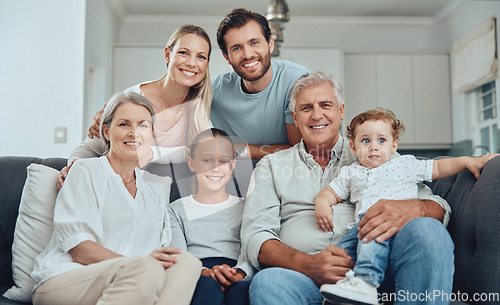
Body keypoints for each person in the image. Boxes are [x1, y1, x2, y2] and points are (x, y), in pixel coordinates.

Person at [240, 71, 454, 305]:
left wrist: (416, 209)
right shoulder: (271, 165)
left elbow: (438, 206)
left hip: (378, 270)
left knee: (429, 230)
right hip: (306, 277)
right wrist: (307, 265)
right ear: (295, 116)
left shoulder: (374, 151)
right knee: (268, 282)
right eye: (306, 108)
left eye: (325, 105)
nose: (317, 115)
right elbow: (256, 236)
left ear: (341, 111)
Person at [31, 92, 202, 305]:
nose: (134, 133)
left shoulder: (157, 187)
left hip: (135, 279)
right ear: (106, 131)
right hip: (66, 278)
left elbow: (159, 252)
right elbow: (79, 249)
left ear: (151, 134)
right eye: (124, 124)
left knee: (187, 263)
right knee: (146, 268)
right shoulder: (83, 170)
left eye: (142, 125)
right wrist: (136, 264)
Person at [315, 108, 499, 304]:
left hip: (396, 226)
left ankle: (366, 282)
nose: (374, 147)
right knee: (341, 252)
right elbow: (331, 192)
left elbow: (438, 167)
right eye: (365, 141)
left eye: (382, 140)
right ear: (353, 146)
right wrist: (322, 202)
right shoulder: (351, 172)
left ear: (394, 146)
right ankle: (343, 291)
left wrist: (467, 161)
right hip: (362, 225)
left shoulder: (405, 164)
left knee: (372, 238)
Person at [57, 24, 212, 188]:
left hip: (158, 195)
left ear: (207, 63)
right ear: (168, 54)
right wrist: (74, 168)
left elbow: (199, 151)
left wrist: (152, 153)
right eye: (183, 53)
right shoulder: (133, 98)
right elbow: (87, 150)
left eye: (201, 57)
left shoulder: (198, 109)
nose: (191, 63)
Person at [211, 8, 310, 159]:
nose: (248, 54)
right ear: (227, 56)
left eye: (254, 43)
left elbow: (300, 151)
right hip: (231, 180)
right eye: (236, 48)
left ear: (270, 43)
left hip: (285, 177)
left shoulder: (296, 80)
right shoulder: (213, 90)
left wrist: (241, 150)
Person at [169, 128, 253, 305]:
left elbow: (250, 251)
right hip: (197, 273)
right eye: (207, 160)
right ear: (192, 164)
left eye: (223, 161)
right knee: (205, 288)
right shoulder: (175, 210)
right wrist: (204, 272)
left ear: (232, 166)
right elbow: (178, 255)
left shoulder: (247, 207)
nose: (215, 168)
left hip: (237, 273)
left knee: (242, 292)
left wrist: (239, 272)